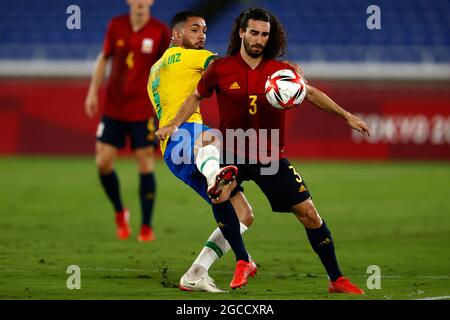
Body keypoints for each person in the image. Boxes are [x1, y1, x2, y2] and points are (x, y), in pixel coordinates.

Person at [157, 8, 371, 294]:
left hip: (270, 156)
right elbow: (196, 96)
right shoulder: (221, 69)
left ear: (271, 37)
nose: (259, 39)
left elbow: (310, 93)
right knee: (219, 190)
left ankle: (336, 279)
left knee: (310, 215)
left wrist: (346, 116)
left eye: (265, 34)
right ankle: (242, 260)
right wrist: (173, 124)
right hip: (233, 151)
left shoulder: (281, 71)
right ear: (242, 33)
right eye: (254, 33)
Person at [148, 11, 256, 292]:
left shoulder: (154, 71)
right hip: (186, 135)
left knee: (243, 214)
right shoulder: (190, 57)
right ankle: (214, 176)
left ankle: (195, 273)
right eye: (195, 30)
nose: (202, 35)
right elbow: (223, 66)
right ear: (177, 34)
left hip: (171, 153)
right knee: (210, 137)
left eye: (205, 30)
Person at [85, 0, 171, 242]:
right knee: (102, 162)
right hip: (114, 106)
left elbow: (167, 68)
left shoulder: (159, 30)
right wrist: (92, 91)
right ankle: (120, 211)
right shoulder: (116, 25)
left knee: (144, 162)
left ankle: (146, 225)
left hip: (143, 109)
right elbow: (104, 59)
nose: (141, 2)